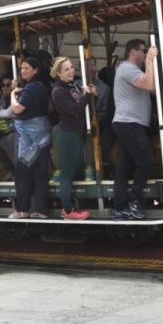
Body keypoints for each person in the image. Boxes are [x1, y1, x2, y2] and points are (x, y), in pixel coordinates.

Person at [111, 39, 158, 220]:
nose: (145, 53)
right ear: (133, 52)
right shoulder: (127, 68)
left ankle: (119, 206)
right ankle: (135, 201)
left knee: (124, 166)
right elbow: (148, 84)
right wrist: (150, 61)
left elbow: (152, 88)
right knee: (146, 161)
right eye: (143, 50)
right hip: (128, 124)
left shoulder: (133, 70)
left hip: (128, 123)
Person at [50, 57, 96, 220]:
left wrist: (86, 93)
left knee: (74, 171)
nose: (71, 71)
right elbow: (74, 109)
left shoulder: (71, 86)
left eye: (71, 68)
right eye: (66, 69)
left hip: (76, 133)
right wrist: (87, 96)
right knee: (66, 175)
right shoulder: (58, 91)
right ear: (58, 73)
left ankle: (72, 206)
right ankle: (68, 211)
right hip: (68, 135)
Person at [9, 57, 52, 219]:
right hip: (43, 135)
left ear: (36, 70)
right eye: (22, 68)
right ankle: (41, 210)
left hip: (29, 138)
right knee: (40, 174)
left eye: (26, 68)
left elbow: (17, 108)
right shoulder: (40, 86)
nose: (23, 71)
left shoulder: (32, 87)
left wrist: (13, 94)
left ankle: (22, 210)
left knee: (22, 173)